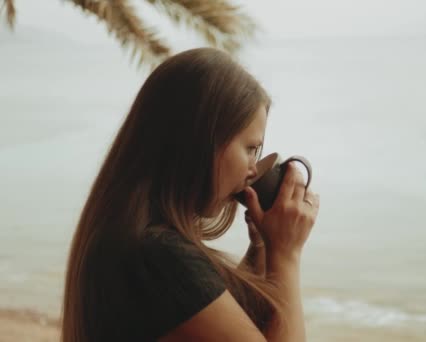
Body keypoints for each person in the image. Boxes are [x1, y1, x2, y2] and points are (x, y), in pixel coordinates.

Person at [60, 48, 320, 341]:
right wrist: (286, 254)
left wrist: (263, 245)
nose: (252, 169)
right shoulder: (157, 257)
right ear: (201, 141)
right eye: (250, 148)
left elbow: (231, 318)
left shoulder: (131, 237)